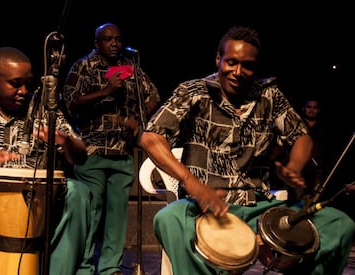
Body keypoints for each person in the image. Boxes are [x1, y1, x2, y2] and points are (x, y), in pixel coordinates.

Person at [140, 25, 355, 275]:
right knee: (167, 219)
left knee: (339, 224)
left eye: (248, 65)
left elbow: (301, 137)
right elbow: (151, 137)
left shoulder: (269, 95)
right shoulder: (193, 91)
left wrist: (294, 167)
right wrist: (193, 184)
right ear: (218, 59)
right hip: (204, 205)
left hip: (260, 206)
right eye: (231, 62)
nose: (238, 72)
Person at [0, 46, 93, 275]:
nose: (24, 90)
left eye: (28, 84)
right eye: (15, 83)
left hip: (36, 201)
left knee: (77, 192)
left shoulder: (41, 107)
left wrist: (63, 141)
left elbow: (80, 156)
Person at [62, 22, 161, 275]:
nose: (114, 44)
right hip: (92, 150)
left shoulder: (131, 67)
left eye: (118, 39)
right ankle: (83, 267)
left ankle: (110, 268)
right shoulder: (82, 66)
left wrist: (139, 118)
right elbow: (71, 101)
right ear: (97, 43)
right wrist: (106, 91)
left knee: (117, 216)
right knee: (91, 213)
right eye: (108, 39)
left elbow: (153, 96)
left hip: (122, 150)